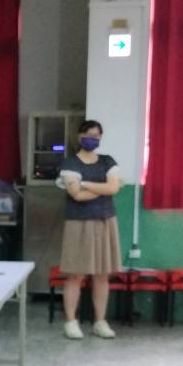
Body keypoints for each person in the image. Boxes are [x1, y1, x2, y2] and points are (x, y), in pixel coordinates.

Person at [56, 119, 123, 341]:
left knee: (102, 275)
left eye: (96, 135)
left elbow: (113, 188)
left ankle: (100, 322)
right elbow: (76, 195)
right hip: (78, 222)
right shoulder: (70, 163)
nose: (92, 139)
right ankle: (70, 322)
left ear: (101, 137)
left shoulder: (107, 161)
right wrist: (104, 188)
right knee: (75, 274)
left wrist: (84, 183)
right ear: (79, 136)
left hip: (105, 220)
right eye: (88, 135)